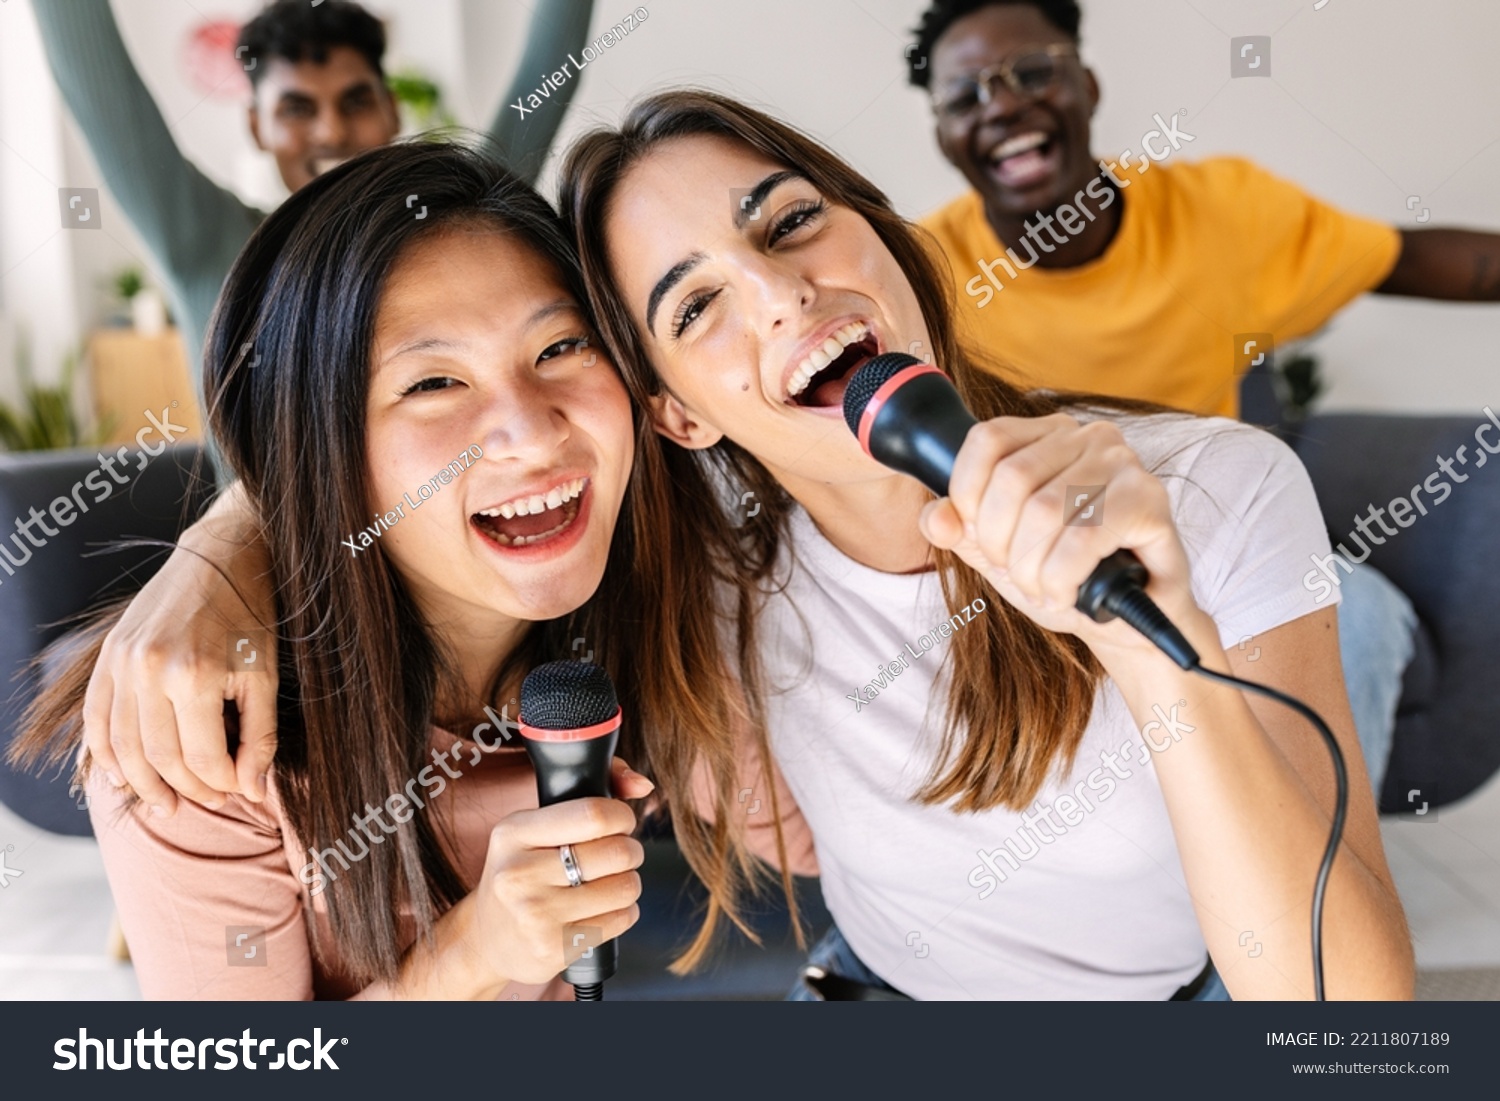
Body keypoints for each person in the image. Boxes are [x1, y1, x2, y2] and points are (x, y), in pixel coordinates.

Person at [86, 89, 1415, 1000]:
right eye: (695, 304)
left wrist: (1154, 653)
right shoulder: (691, 583)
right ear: (674, 405)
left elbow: (1341, 1021)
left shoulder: (1209, 490)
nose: (784, 295)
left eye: (790, 224)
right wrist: (219, 550)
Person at [9, 142, 653, 999]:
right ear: (323, 453)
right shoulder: (205, 746)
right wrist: (473, 956)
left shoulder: (650, 592)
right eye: (432, 383)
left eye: (561, 344)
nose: (533, 433)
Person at [907, 0, 1500, 795]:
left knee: (1358, 610)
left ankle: (1305, 884)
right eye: (966, 95)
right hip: (1036, 564)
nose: (1003, 104)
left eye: (1032, 72)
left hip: (1222, 537)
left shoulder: (1220, 213)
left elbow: (1412, 258)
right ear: (943, 132)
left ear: (1086, 82)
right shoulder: (924, 278)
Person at [34, 0, 594, 417]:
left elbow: (550, 65)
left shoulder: (451, 226)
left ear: (392, 110)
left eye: (356, 101)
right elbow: (100, 86)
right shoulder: (212, 243)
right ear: (257, 126)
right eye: (297, 109)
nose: (331, 131)